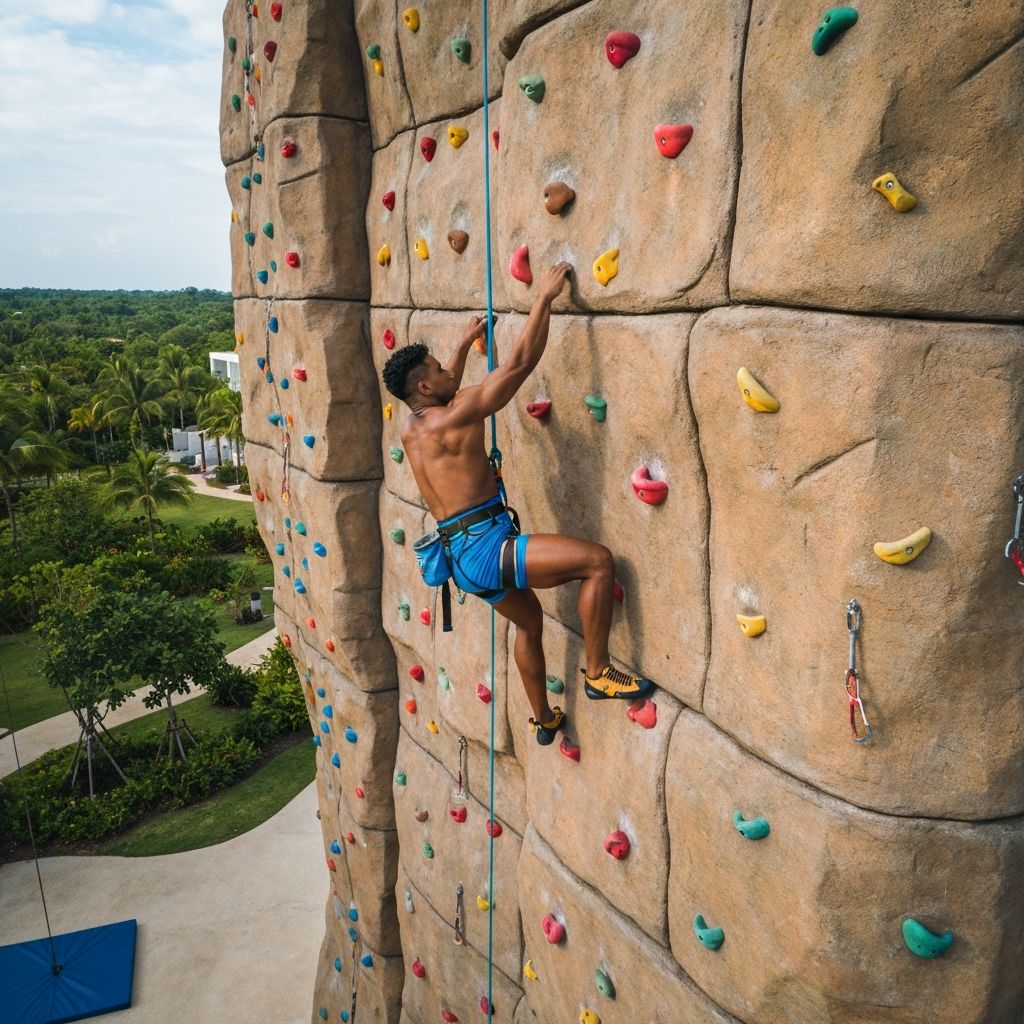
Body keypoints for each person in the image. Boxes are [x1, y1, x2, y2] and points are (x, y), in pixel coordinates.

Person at [381, 262, 655, 746]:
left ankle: (545, 719)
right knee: (597, 563)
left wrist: (463, 344)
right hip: (487, 549)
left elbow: (447, 387)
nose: (448, 372)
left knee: (529, 624)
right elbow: (520, 363)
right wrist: (543, 298)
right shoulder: (455, 415)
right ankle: (598, 673)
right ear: (423, 388)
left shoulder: (412, 427)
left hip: (461, 559)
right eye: (438, 369)